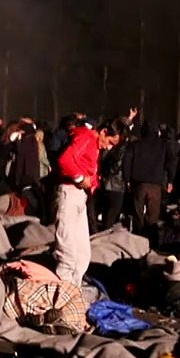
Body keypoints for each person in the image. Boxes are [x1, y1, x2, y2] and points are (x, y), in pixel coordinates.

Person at [54, 122, 121, 287]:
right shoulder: (86, 137)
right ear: (104, 132)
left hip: (80, 197)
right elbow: (65, 160)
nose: (108, 147)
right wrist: (80, 179)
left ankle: (73, 290)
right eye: (110, 142)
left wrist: (90, 183)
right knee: (68, 253)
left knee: (82, 254)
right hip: (69, 194)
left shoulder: (92, 142)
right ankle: (63, 295)